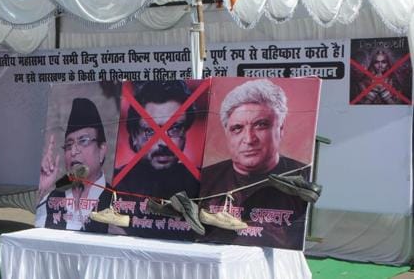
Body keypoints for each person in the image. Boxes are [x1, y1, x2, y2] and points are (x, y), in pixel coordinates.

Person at [199, 79, 309, 249]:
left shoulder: (302, 177)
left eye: (261, 125)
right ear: (226, 133)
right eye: (237, 128)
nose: (249, 139)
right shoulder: (206, 179)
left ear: (280, 129)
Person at [114, 81, 201, 239]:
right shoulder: (112, 185)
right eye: (150, 131)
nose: (163, 143)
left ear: (185, 133)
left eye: (174, 128)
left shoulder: (203, 185)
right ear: (134, 136)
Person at [35, 98, 112, 232]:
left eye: (83, 141)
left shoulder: (116, 202)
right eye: (69, 145)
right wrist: (41, 190)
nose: (74, 151)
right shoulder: (50, 199)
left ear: (101, 150)